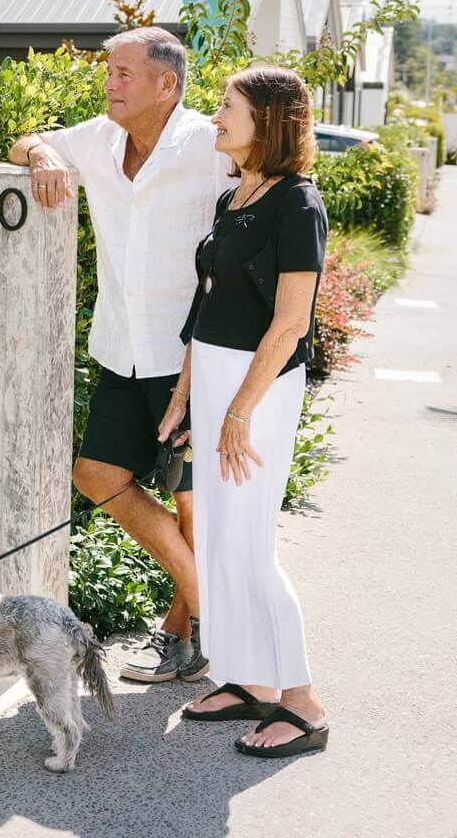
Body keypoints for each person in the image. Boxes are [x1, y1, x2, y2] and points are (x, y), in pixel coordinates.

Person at [9, 26, 236, 684]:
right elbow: (24, 139)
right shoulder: (99, 140)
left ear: (167, 84)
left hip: (190, 354)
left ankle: (181, 637)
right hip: (120, 347)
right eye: (109, 72)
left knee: (193, 502)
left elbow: (273, 185)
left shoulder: (207, 143)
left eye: (124, 74)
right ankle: (209, 606)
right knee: (96, 473)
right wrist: (42, 156)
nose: (109, 83)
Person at [172, 66, 330, 758]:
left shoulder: (298, 204)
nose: (214, 117)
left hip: (256, 389)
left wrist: (238, 410)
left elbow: (291, 322)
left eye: (226, 107)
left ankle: (302, 703)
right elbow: (205, 305)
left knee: (250, 544)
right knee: (218, 535)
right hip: (213, 380)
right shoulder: (233, 196)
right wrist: (184, 394)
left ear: (265, 120)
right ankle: (249, 680)